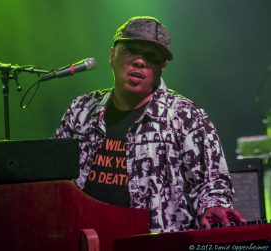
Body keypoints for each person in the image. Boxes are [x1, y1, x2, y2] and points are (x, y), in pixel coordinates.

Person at [53, 16, 245, 232]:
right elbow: (54, 177)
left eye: (151, 57)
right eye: (131, 51)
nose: (140, 62)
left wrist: (214, 206)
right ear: (111, 55)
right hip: (86, 238)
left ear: (162, 67)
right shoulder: (81, 109)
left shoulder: (186, 116)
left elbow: (213, 182)